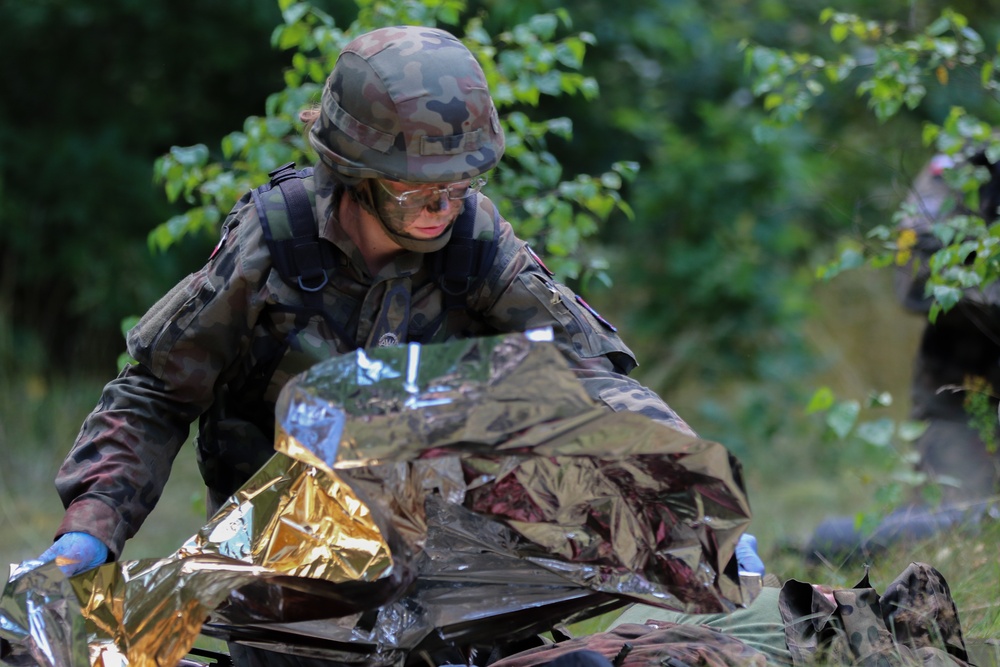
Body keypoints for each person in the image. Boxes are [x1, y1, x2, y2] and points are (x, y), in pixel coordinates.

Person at [33, 25, 714, 667]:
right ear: (354, 170)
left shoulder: (474, 245)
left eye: (458, 184)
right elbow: (154, 392)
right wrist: (94, 522)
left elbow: (587, 378)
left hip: (450, 576)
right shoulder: (274, 249)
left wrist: (685, 486)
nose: (440, 206)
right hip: (292, 591)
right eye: (415, 186)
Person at [806, 146, 1000, 562]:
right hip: (967, 387)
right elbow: (914, 278)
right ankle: (829, 546)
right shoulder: (972, 162)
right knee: (955, 536)